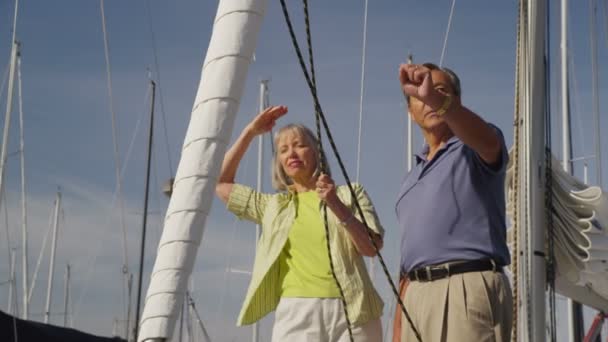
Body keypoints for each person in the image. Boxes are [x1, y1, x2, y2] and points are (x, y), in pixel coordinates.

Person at [216, 105, 384, 342]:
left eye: (299, 145)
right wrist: (251, 132)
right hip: (296, 311)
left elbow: (371, 248)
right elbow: (221, 181)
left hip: (355, 310)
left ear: (316, 153)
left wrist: (334, 202)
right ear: (280, 162)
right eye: (283, 150)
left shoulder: (350, 193)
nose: (291, 153)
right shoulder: (272, 206)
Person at [394, 63, 513, 342]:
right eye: (421, 96)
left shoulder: (474, 145)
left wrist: (437, 101)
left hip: (464, 287)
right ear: (410, 113)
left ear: (455, 101)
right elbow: (408, 263)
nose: (429, 98)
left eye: (440, 91)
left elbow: (489, 144)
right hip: (415, 298)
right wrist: (399, 326)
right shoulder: (409, 180)